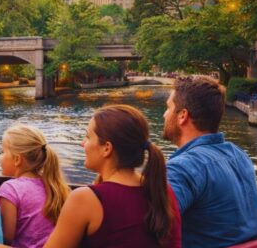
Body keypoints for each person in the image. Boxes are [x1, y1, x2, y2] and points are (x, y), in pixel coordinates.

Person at [43, 104, 181, 248]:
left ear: (106, 148)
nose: (82, 143)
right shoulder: (163, 191)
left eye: (88, 137)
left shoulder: (85, 199)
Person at [163, 77, 257, 247]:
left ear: (183, 116)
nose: (165, 114)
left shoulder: (183, 167)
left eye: (168, 108)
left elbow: (154, 223)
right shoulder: (239, 155)